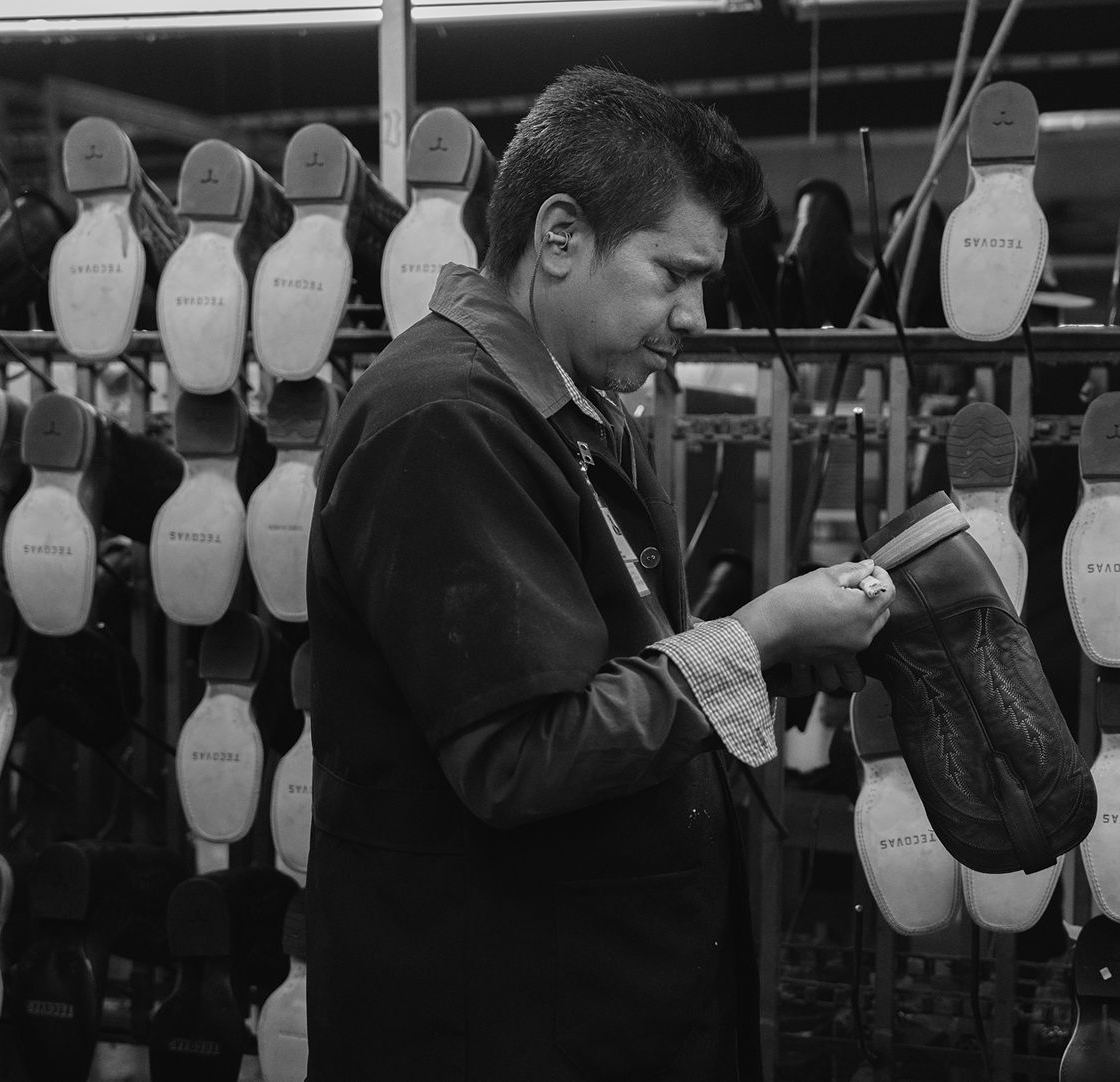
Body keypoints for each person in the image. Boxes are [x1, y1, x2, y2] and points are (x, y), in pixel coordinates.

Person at [305, 67, 894, 1080]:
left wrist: (783, 654)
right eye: (672, 274)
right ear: (561, 234)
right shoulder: (444, 421)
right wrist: (758, 633)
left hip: (590, 998)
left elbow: (614, 660)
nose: (698, 312)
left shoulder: (572, 413)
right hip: (494, 1019)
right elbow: (522, 753)